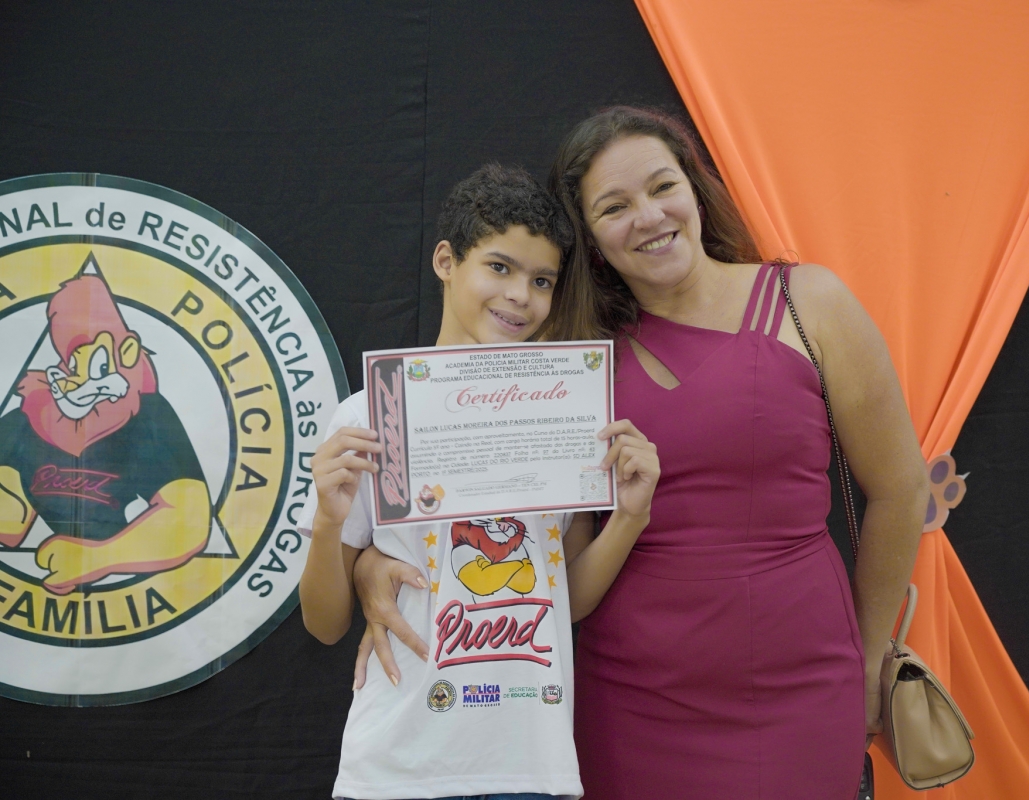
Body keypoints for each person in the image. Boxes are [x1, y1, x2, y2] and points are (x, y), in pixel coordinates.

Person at [355, 107, 928, 799]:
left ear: (695, 190)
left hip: (804, 687)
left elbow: (900, 490)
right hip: (629, 702)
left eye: (662, 187)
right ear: (590, 238)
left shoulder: (809, 303)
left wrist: (870, 658)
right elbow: (492, 516)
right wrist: (368, 563)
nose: (649, 217)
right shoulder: (563, 358)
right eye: (615, 207)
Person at [297, 163, 660, 800]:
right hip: (397, 767)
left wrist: (629, 517)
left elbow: (566, 600)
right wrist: (329, 522)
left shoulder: (568, 414)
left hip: (529, 766)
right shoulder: (370, 416)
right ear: (446, 260)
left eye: (541, 280)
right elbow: (324, 624)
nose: (521, 295)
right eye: (499, 267)